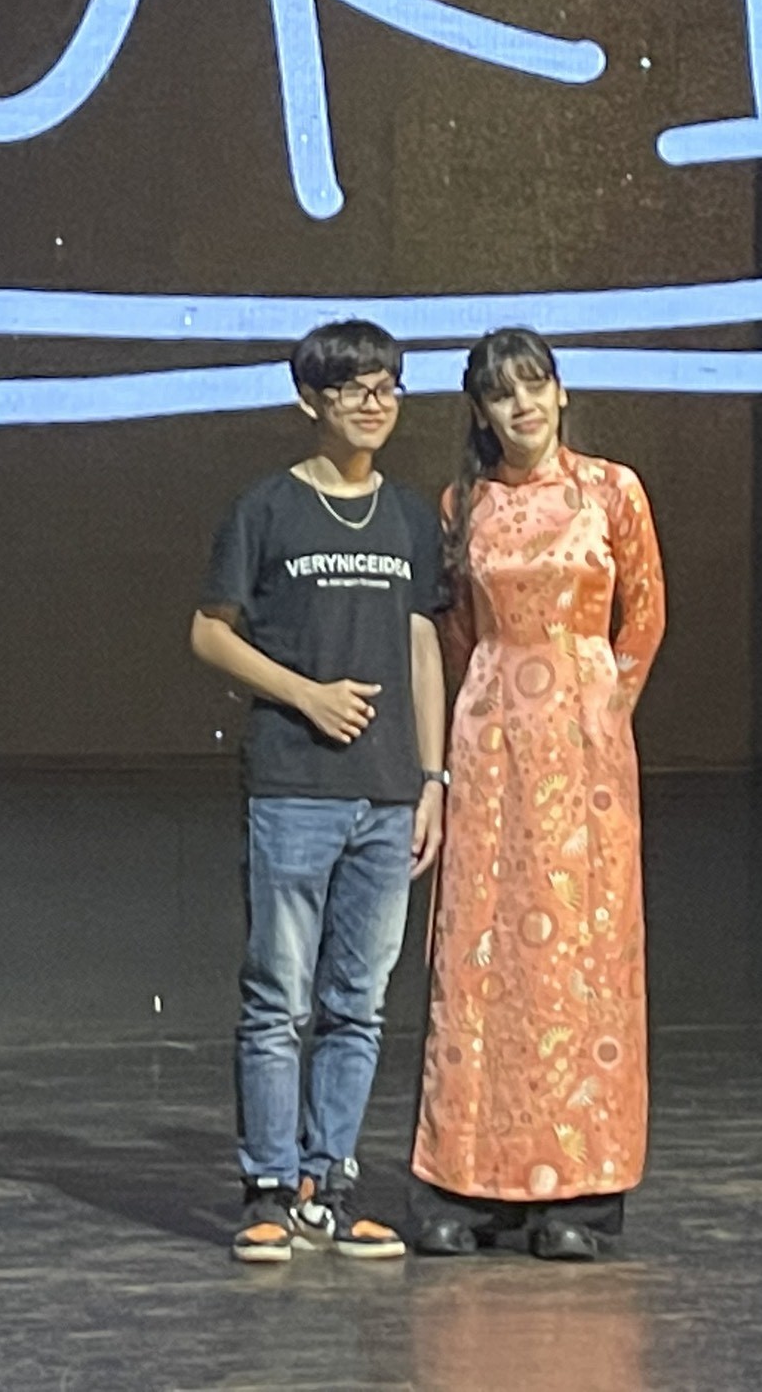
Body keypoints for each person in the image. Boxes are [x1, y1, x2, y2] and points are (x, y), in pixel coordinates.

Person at [190, 319, 449, 1263]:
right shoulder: (267, 508)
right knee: (278, 999)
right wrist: (305, 694)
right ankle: (267, 1189)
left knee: (358, 1004)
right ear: (310, 401)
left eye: (387, 387)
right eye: (352, 389)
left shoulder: (411, 517)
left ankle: (327, 1187)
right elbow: (209, 633)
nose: (374, 404)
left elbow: (423, 644)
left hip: (387, 795)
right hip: (295, 786)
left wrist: (433, 777)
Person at [410, 327, 665, 1261]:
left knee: (582, 959)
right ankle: (467, 1184)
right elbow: (457, 635)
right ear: (480, 411)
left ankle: (580, 1197)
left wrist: (601, 708)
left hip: (585, 748)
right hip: (491, 745)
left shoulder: (612, 491)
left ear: (560, 393)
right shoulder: (463, 504)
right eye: (500, 393)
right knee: (480, 956)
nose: (520, 405)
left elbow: (646, 616)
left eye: (533, 386)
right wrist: (479, 719)